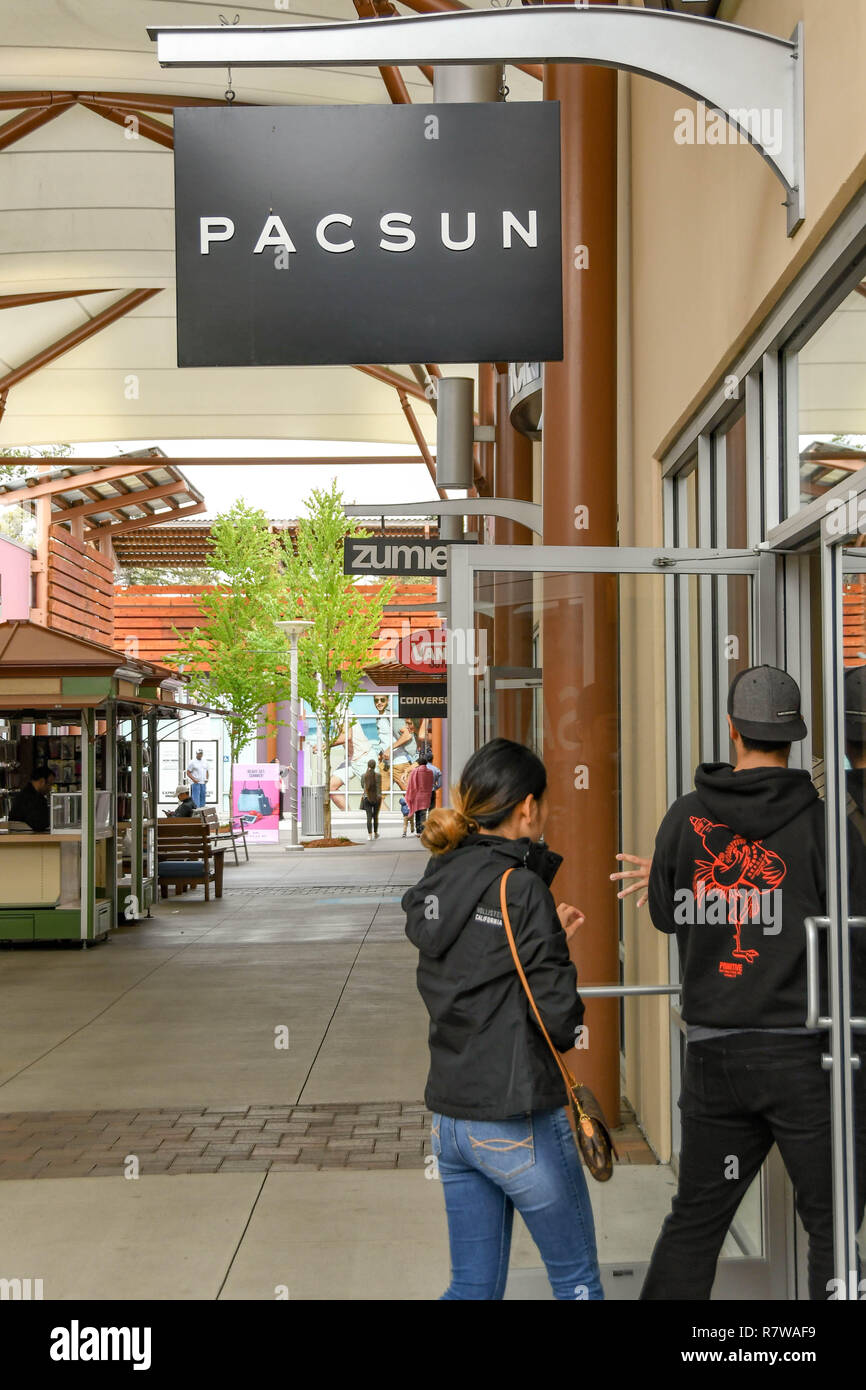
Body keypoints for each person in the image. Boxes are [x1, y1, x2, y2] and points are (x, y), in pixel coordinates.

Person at [641, 664, 866, 1301]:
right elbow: (855, 926)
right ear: (793, 737)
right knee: (830, 1225)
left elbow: (664, 914)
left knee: (695, 1222)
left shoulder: (686, 818)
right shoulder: (825, 825)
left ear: (733, 731)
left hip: (715, 1052)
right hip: (804, 1053)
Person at [402, 737, 603, 1301]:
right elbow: (559, 1021)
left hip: (452, 1121)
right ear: (527, 808)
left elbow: (475, 972)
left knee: (471, 1290)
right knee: (578, 1283)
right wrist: (554, 947)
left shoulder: (438, 879)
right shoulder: (523, 890)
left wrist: (543, 939)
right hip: (517, 1119)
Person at [10, 765, 55, 832]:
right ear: (42, 781)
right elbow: (37, 824)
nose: (50, 788)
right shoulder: (31, 798)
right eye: (50, 784)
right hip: (27, 839)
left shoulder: (25, 794)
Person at [405, 754, 435, 836]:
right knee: (423, 813)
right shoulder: (430, 772)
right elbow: (431, 783)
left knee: (417, 813)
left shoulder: (415, 771)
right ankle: (423, 831)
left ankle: (418, 831)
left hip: (417, 795)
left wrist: (410, 795)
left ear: (419, 763)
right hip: (426, 795)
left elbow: (412, 784)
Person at [361, 758, 382, 841]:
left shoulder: (364, 775)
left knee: (368, 817)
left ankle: (369, 835)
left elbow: (363, 786)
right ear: (375, 766)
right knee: (375, 816)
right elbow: (379, 787)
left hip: (367, 798)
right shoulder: (378, 776)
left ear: (368, 765)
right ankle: (376, 833)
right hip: (377, 798)